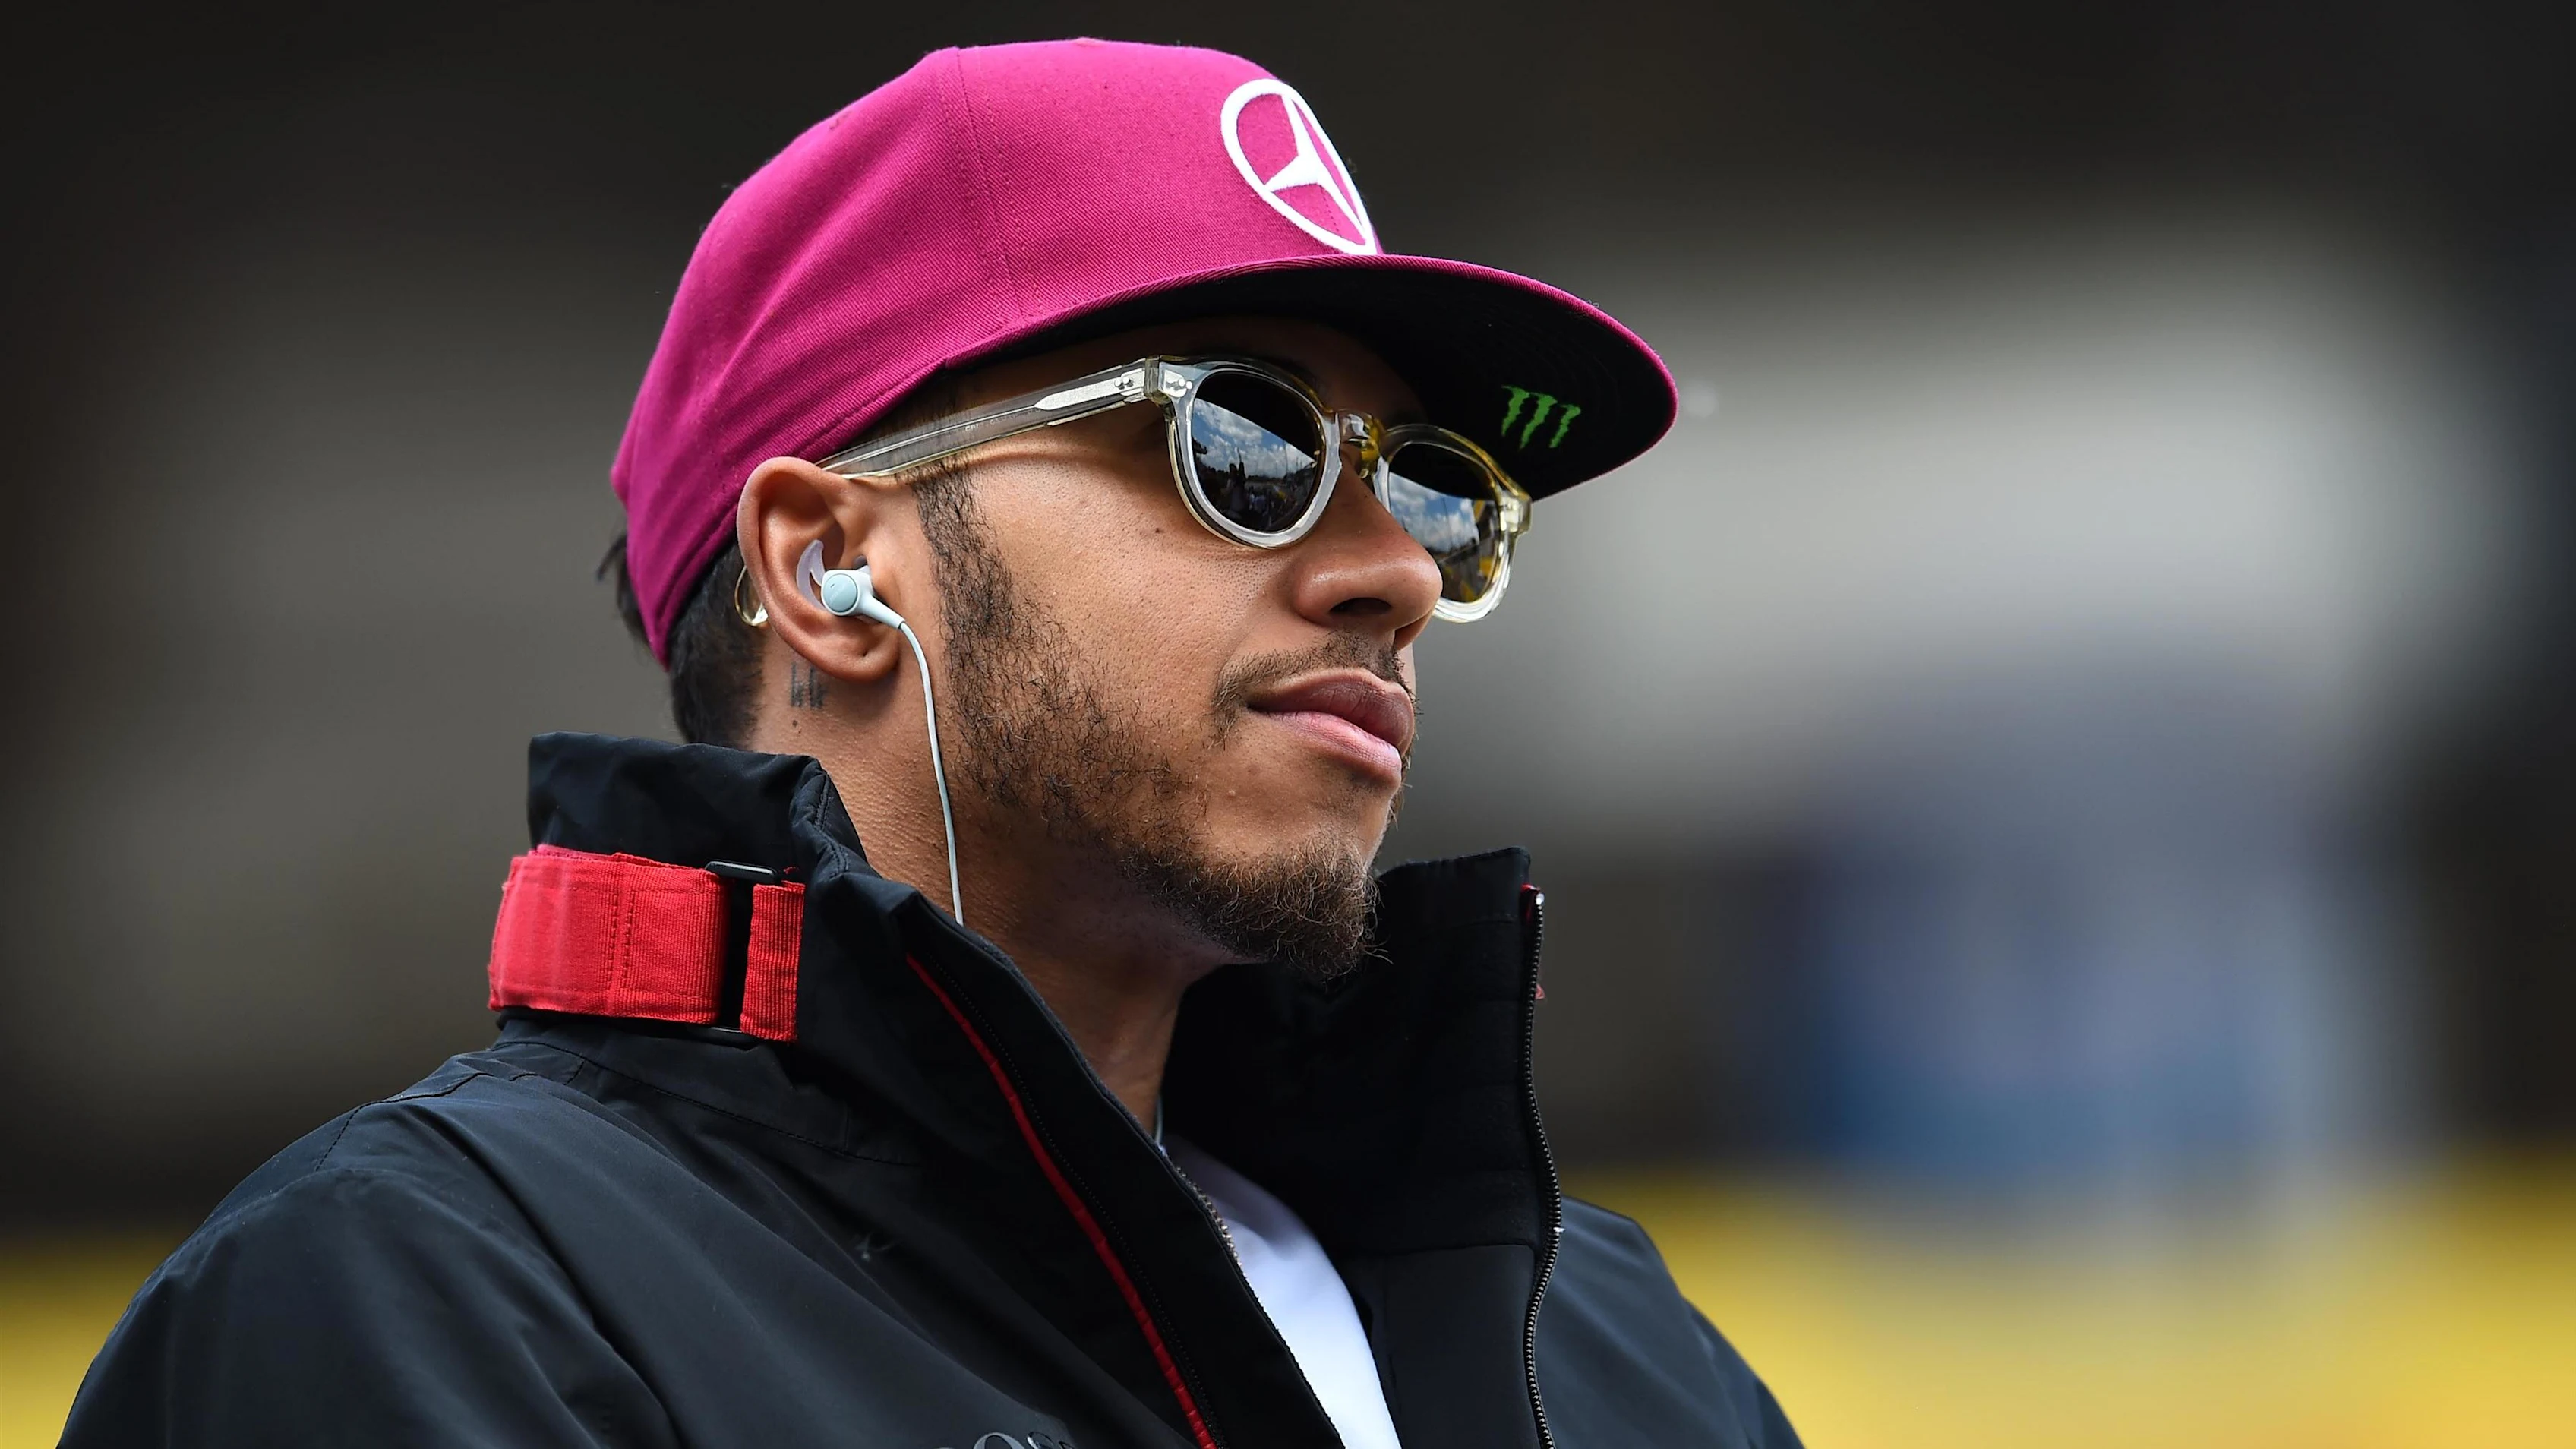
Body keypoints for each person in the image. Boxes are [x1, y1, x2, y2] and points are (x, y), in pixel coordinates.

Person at [65, 39, 1800, 1449]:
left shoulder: (1617, 1353)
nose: (1394, 573)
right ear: (829, 565)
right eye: (1242, 445)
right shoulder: (427, 1301)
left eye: (1436, 489)